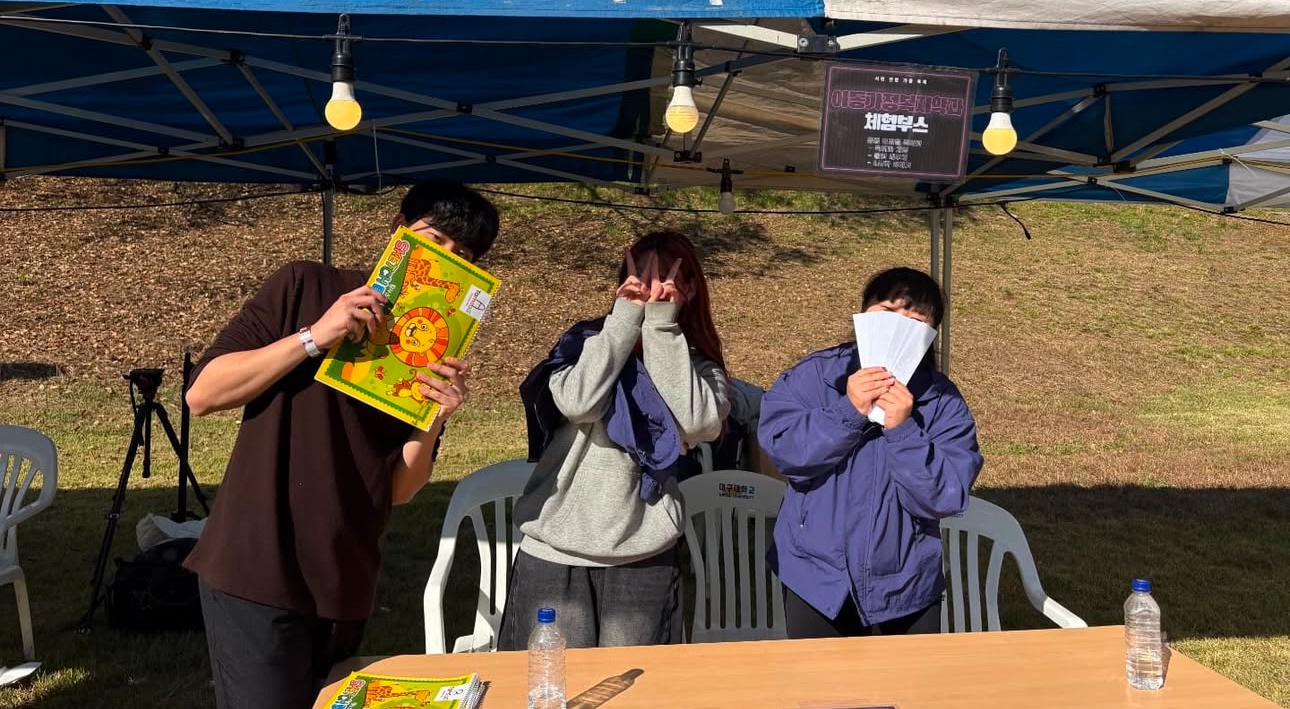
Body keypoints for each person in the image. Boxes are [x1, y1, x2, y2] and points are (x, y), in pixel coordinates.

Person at [183, 180, 500, 709]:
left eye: (463, 255)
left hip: (346, 576)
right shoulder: (305, 286)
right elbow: (203, 394)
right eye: (434, 241)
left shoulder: (434, 342)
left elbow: (400, 489)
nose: (446, 259)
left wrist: (434, 418)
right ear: (397, 233)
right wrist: (315, 336)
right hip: (256, 564)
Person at [497, 230, 730, 650]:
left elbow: (697, 424)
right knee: (551, 678)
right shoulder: (583, 344)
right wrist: (624, 320)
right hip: (554, 549)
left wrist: (661, 326)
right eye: (640, 274)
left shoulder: (700, 368)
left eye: (666, 275)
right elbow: (580, 403)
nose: (651, 286)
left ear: (691, 289)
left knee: (635, 683)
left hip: (644, 553)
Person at [758, 266, 982, 639]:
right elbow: (785, 452)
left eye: (916, 320)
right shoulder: (816, 376)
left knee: (909, 679)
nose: (899, 326)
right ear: (864, 314)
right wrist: (847, 411)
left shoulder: (942, 401)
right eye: (888, 312)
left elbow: (945, 496)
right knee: (820, 679)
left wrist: (904, 431)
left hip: (907, 584)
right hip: (817, 579)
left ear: (930, 335)